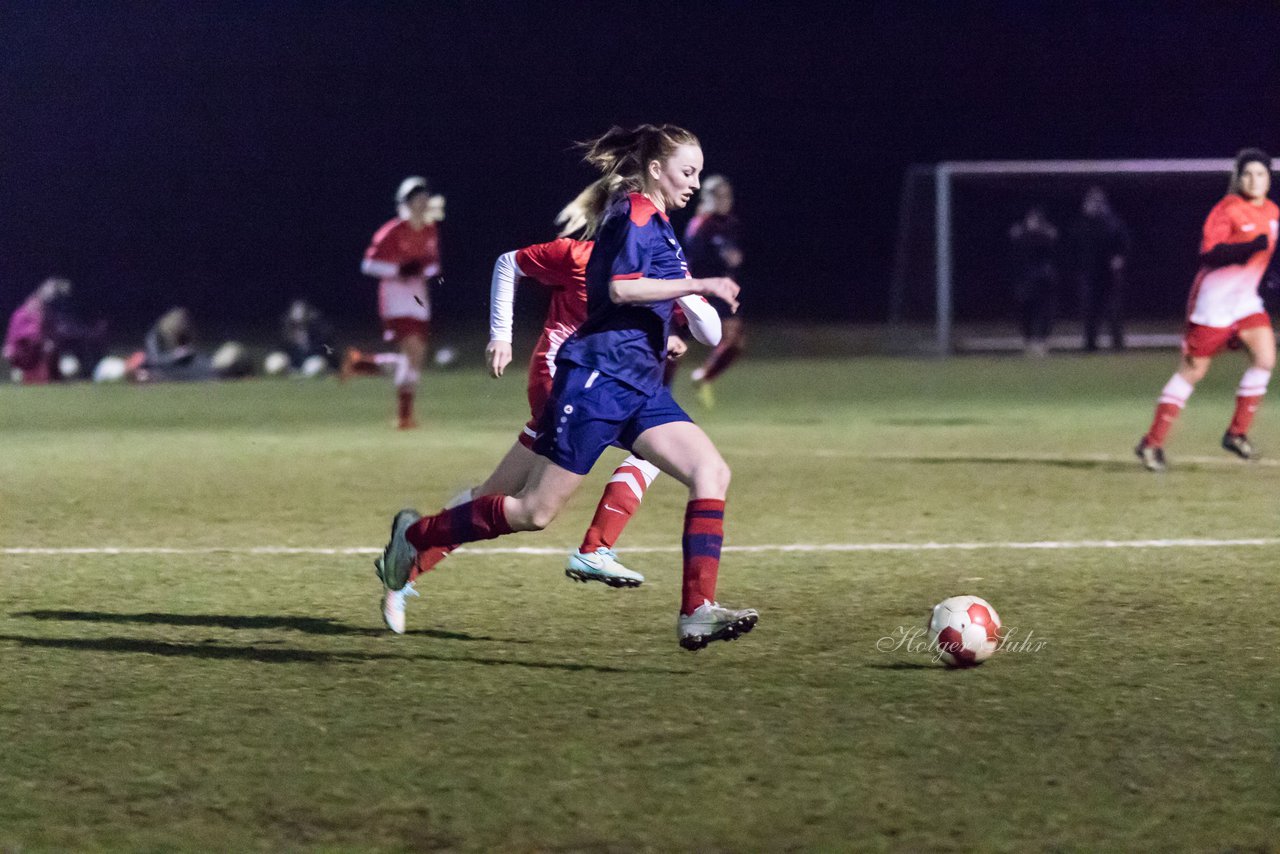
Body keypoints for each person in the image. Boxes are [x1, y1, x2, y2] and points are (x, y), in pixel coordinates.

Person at [375, 124, 757, 651]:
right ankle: (417, 538)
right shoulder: (632, 215)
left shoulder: (662, 225)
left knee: (711, 470)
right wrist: (698, 285)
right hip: (598, 381)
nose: (694, 182)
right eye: (686, 171)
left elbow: (670, 309)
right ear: (654, 169)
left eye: (697, 172)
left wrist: (676, 321)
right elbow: (622, 288)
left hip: (639, 385)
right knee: (533, 511)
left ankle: (696, 610)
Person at [1135, 149, 1278, 472]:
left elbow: (1262, 256)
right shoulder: (1226, 210)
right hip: (1212, 304)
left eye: (1261, 174)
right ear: (1238, 178)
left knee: (1266, 358)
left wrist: (1269, 277)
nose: (1255, 180)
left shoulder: (1272, 212)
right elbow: (1208, 255)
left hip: (1244, 302)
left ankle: (1236, 433)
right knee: (1193, 372)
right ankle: (1151, 443)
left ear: (1269, 179)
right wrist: (1245, 249)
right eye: (1248, 174)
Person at [346, 176, 443, 429]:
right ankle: (403, 416)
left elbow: (433, 264)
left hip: (419, 298)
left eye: (424, 199)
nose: (422, 203)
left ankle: (363, 364)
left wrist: (422, 269)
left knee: (416, 358)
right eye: (417, 199)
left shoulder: (430, 229)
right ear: (406, 203)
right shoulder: (392, 231)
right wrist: (399, 270)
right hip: (396, 299)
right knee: (412, 353)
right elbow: (368, 265)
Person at [684, 174, 744, 407]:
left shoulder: (729, 223)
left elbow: (734, 257)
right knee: (675, 344)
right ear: (707, 197)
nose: (725, 200)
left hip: (721, 289)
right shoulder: (702, 224)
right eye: (719, 195)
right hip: (700, 289)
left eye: (727, 195)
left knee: (735, 342)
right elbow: (694, 257)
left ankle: (703, 376)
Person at [1071, 186, 1131, 351]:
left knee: (1113, 309)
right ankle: (1090, 344)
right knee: (1089, 310)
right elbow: (1074, 245)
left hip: (1109, 274)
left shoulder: (1112, 222)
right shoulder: (1082, 223)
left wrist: (1119, 258)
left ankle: (1117, 344)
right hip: (1089, 273)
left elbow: (1123, 243)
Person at [1008, 206, 1060, 357]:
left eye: (1036, 220)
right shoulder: (1020, 235)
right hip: (1025, 281)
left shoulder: (1047, 235)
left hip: (1044, 281)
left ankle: (1042, 342)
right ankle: (1029, 341)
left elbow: (1051, 250)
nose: (1033, 223)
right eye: (1031, 220)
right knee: (1025, 313)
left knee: (1045, 312)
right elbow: (1015, 256)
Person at [4, 278, 68, 383]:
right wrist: (10, 346)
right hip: (22, 354)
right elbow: (15, 335)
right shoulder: (21, 315)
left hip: (37, 355)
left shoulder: (44, 315)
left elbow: (48, 334)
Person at [280, 298, 337, 372]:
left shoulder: (319, 329)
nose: (299, 326)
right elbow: (285, 350)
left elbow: (327, 348)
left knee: (314, 366)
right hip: (295, 363)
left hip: (314, 359)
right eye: (295, 324)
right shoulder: (287, 331)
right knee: (277, 361)